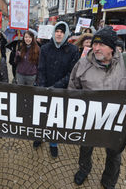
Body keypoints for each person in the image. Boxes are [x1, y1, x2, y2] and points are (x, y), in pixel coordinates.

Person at [68, 26, 126, 189]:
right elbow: (72, 89)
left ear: (112, 47)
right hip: (90, 119)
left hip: (118, 121)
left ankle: (109, 180)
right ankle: (84, 169)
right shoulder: (83, 64)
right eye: (94, 44)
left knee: (114, 153)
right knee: (85, 147)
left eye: (101, 45)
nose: (96, 48)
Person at [33, 21, 80, 158]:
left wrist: (56, 87)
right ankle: (40, 137)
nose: (59, 34)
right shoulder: (46, 48)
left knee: (55, 119)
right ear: (53, 33)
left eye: (62, 32)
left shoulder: (73, 50)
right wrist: (42, 86)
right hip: (45, 88)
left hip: (61, 90)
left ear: (66, 34)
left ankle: (53, 143)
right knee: (42, 116)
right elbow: (41, 69)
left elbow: (72, 73)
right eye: (57, 31)